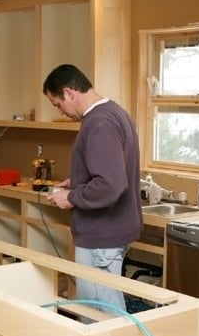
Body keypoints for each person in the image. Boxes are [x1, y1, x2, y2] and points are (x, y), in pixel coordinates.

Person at [42, 64, 141, 312]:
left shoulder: (99, 123)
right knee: (104, 311)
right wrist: (76, 182)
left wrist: (72, 197)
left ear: (69, 92)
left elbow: (111, 184)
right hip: (108, 233)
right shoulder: (114, 112)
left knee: (98, 317)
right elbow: (109, 171)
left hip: (101, 238)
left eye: (57, 104)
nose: (61, 111)